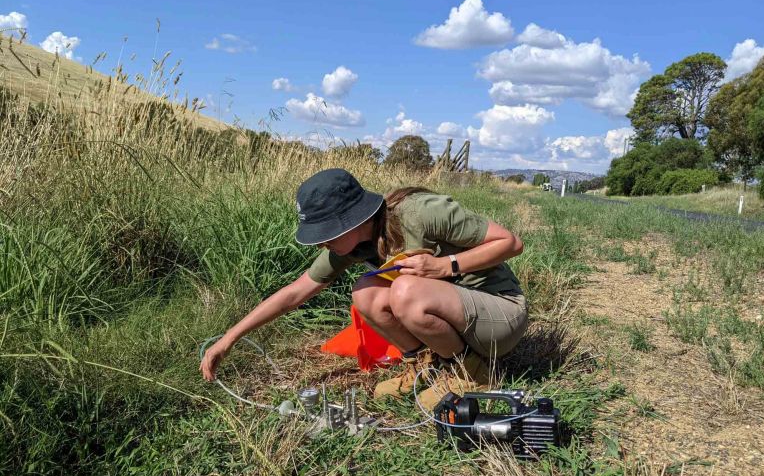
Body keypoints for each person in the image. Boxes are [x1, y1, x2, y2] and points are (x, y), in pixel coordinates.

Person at [200, 168, 527, 408]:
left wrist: (445, 265)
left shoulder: (421, 212)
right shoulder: (353, 245)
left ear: (354, 220)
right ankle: (424, 365)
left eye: (327, 232)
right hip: (457, 318)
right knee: (365, 292)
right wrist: (230, 338)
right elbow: (294, 294)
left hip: (499, 314)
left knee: (405, 291)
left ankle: (470, 372)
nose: (322, 243)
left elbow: (510, 243)